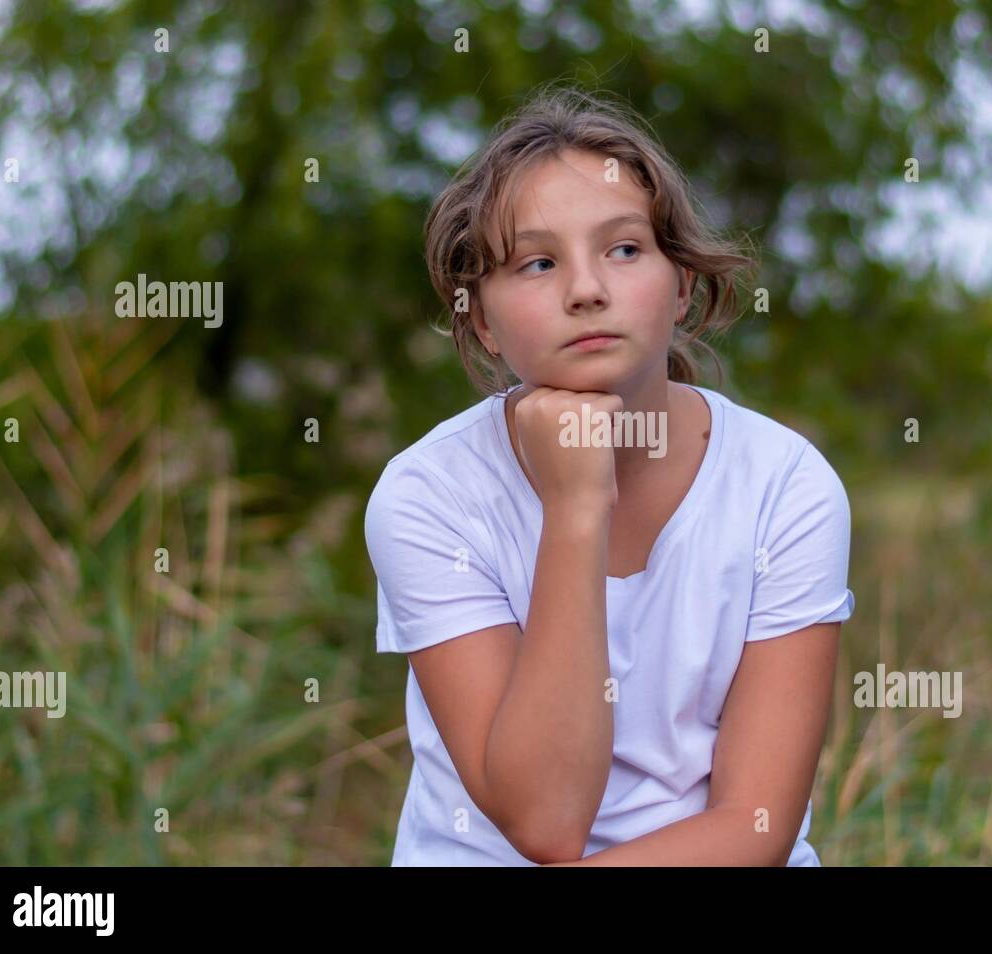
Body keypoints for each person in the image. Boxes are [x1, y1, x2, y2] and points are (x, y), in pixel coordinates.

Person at [364, 84, 854, 866]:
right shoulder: (429, 496)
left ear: (683, 283)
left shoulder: (785, 487)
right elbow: (546, 823)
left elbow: (752, 829)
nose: (587, 290)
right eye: (537, 262)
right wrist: (576, 508)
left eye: (625, 249)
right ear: (482, 320)